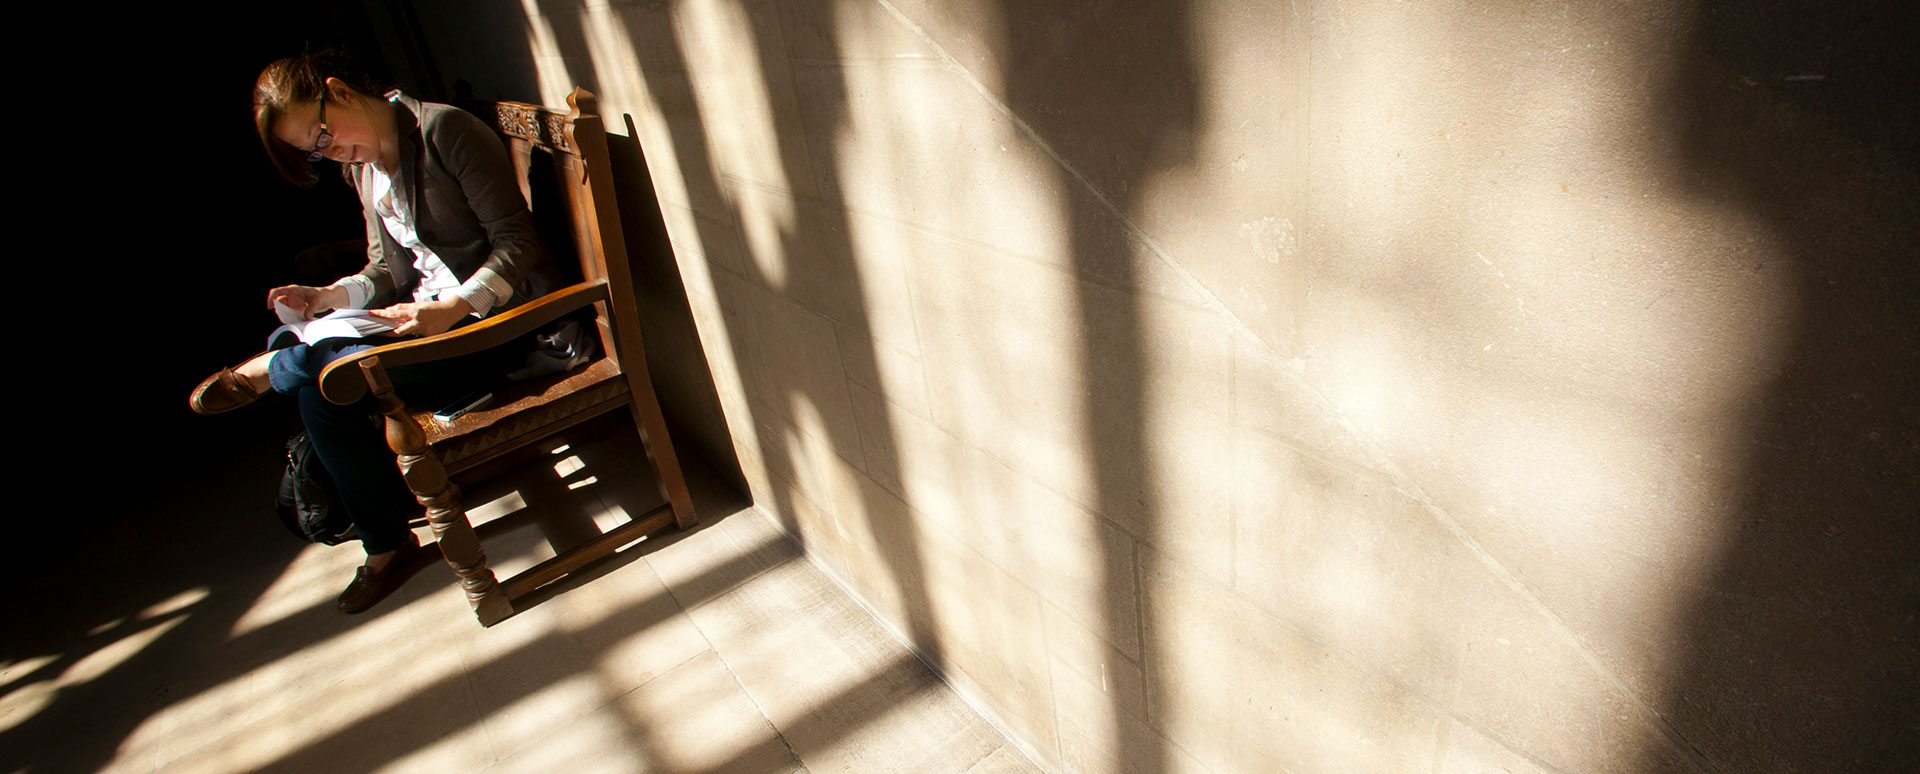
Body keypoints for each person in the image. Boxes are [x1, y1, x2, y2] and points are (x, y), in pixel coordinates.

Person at [189, 53, 549, 613]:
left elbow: (518, 242)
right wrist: (329, 298)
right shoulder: (364, 170)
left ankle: (272, 376)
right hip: (427, 324)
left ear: (341, 92)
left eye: (323, 133)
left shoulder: (442, 131)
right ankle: (385, 540)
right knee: (322, 385)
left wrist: (455, 305)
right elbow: (386, 271)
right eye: (313, 149)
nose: (327, 151)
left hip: (492, 327)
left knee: (322, 370)